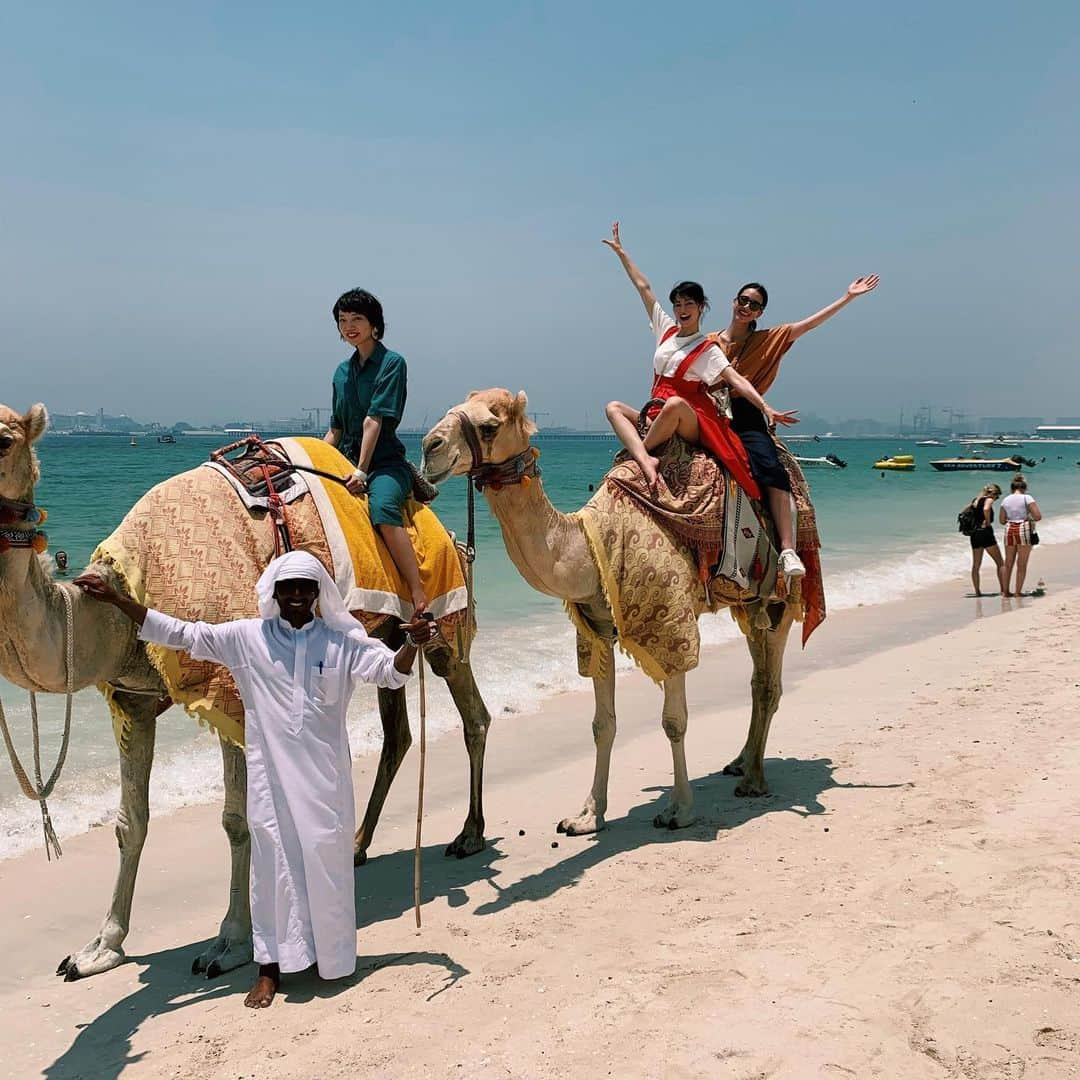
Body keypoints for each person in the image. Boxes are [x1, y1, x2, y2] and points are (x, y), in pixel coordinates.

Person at [74, 550, 435, 1010]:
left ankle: (334, 962)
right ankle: (269, 970)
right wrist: (118, 601)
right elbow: (183, 634)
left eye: (307, 587)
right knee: (272, 871)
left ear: (320, 592)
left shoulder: (342, 642)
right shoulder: (248, 639)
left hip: (326, 783)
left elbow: (390, 673)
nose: (299, 596)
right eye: (290, 588)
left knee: (328, 868)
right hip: (270, 786)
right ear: (274, 593)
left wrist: (413, 644)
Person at [601, 223, 803, 578]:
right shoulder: (664, 330)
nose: (681, 309)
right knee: (613, 407)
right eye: (677, 303)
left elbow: (735, 379)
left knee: (677, 406)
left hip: (692, 417)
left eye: (688, 304)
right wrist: (621, 253)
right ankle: (645, 459)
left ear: (701, 307)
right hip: (655, 412)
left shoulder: (706, 349)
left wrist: (765, 407)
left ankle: (642, 455)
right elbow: (643, 288)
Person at [705, 276, 879, 573]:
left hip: (745, 413)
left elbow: (808, 325)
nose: (746, 306)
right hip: (709, 412)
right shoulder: (707, 341)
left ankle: (786, 549)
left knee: (772, 469)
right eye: (743, 300)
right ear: (734, 302)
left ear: (760, 313)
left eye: (754, 305)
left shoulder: (768, 339)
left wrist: (847, 297)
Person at [325, 289, 427, 616]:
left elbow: (374, 421)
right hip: (346, 462)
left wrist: (361, 471)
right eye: (343, 320)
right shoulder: (341, 373)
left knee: (382, 508)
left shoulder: (392, 363)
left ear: (374, 324)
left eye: (357, 319)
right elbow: (336, 430)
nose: (349, 326)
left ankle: (417, 591)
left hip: (383, 465)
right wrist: (308, 461)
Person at [999, 473, 1042, 596]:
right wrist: (1027, 517)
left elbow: (1002, 521)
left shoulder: (1005, 500)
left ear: (1012, 488)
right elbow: (1038, 516)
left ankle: (1006, 592)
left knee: (1008, 563)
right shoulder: (1027, 498)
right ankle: (1018, 592)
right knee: (1021, 564)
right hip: (1023, 529)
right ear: (1024, 488)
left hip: (1009, 529)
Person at [966, 483, 1005, 596]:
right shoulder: (988, 499)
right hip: (985, 532)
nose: (996, 499)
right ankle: (1003, 590)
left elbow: (966, 510)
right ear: (994, 494)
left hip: (975, 533)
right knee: (1000, 563)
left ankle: (977, 591)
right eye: (997, 497)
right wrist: (987, 521)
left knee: (976, 565)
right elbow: (986, 508)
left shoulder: (976, 500)